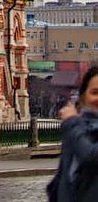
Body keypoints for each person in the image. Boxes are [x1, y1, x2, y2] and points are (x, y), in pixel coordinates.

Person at [50, 64, 98, 202]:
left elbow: (91, 156)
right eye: (94, 92)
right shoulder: (77, 128)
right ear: (83, 96)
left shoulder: (73, 127)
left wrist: (71, 122)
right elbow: (63, 178)